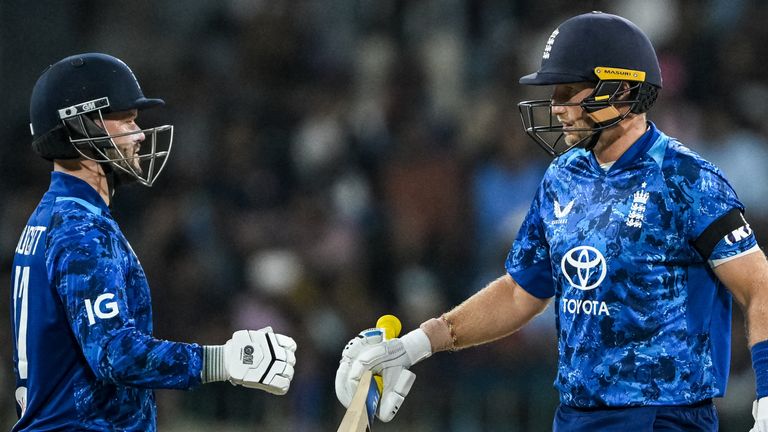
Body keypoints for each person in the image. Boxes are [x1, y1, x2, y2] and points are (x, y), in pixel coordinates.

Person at [334, 11, 768, 431]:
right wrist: (417, 344)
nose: (556, 108)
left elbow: (758, 284)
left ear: (619, 90)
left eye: (567, 92)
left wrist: (767, 396)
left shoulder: (687, 179)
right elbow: (522, 291)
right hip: (576, 414)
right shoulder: (564, 175)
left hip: (662, 416)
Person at [9, 53, 297, 431]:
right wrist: (223, 360)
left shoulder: (52, 217)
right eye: (126, 120)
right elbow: (115, 354)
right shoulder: (80, 228)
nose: (141, 134)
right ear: (79, 128)